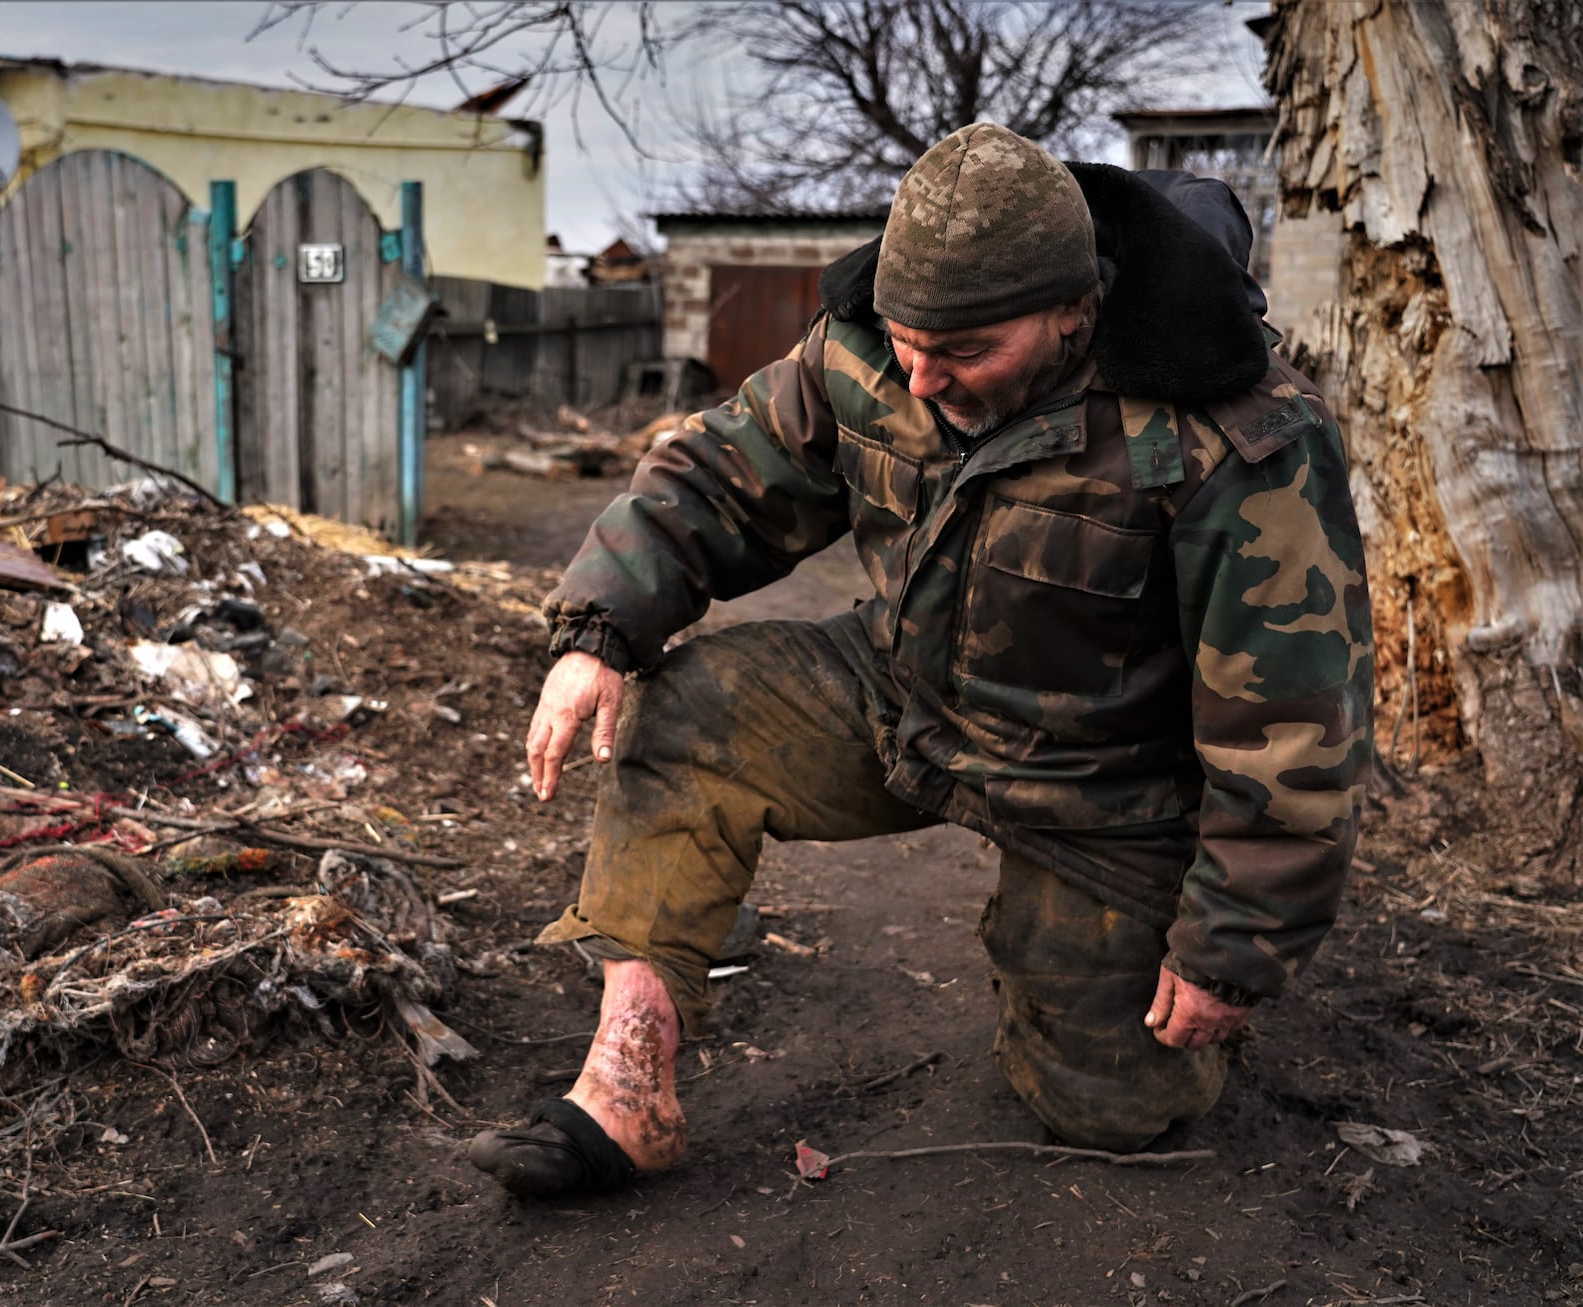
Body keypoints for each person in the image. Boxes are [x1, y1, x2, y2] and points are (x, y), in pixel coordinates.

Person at [468, 123, 1373, 1198]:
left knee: (1112, 1106)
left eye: (964, 354)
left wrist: (1231, 945)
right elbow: (722, 476)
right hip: (903, 690)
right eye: (905, 341)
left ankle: (1085, 963)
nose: (922, 375)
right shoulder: (877, 350)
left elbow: (1290, 728)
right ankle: (627, 1071)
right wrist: (601, 631)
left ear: (1071, 309)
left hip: (1107, 785)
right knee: (686, 710)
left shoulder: (1235, 434)